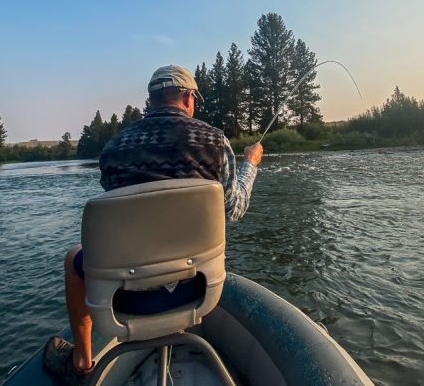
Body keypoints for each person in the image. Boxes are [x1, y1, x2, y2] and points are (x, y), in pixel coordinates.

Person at [43, 65, 263, 384]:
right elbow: (235, 209)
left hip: (126, 296)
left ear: (153, 99)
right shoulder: (215, 142)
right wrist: (249, 164)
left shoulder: (114, 150)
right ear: (188, 98)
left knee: (71, 256)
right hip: (196, 288)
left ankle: (81, 361)